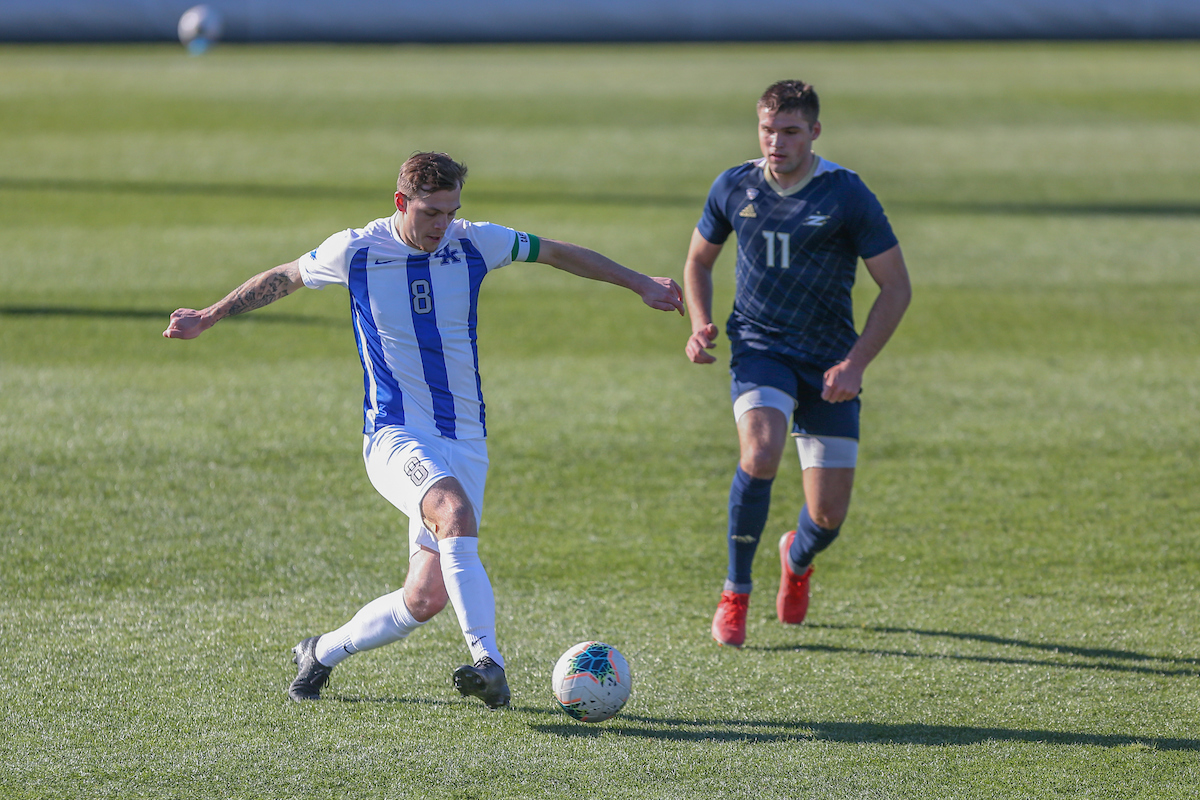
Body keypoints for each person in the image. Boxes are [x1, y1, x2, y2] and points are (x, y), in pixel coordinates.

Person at [164, 152, 684, 706]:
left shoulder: (474, 242)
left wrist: (637, 282)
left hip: (466, 438)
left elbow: (555, 252)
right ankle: (490, 663)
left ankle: (320, 654)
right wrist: (210, 315)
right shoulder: (357, 250)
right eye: (431, 212)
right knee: (454, 514)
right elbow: (284, 277)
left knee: (424, 597)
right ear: (400, 203)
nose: (443, 224)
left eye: (451, 211)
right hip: (395, 434)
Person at [683, 81, 911, 648]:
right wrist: (700, 322)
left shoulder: (845, 194)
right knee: (759, 454)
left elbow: (896, 287)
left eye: (789, 131)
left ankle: (797, 554)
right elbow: (697, 262)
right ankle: (736, 591)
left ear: (814, 131)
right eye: (767, 130)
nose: (775, 142)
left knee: (828, 516)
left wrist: (856, 364)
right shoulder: (734, 185)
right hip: (761, 349)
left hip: (831, 363)